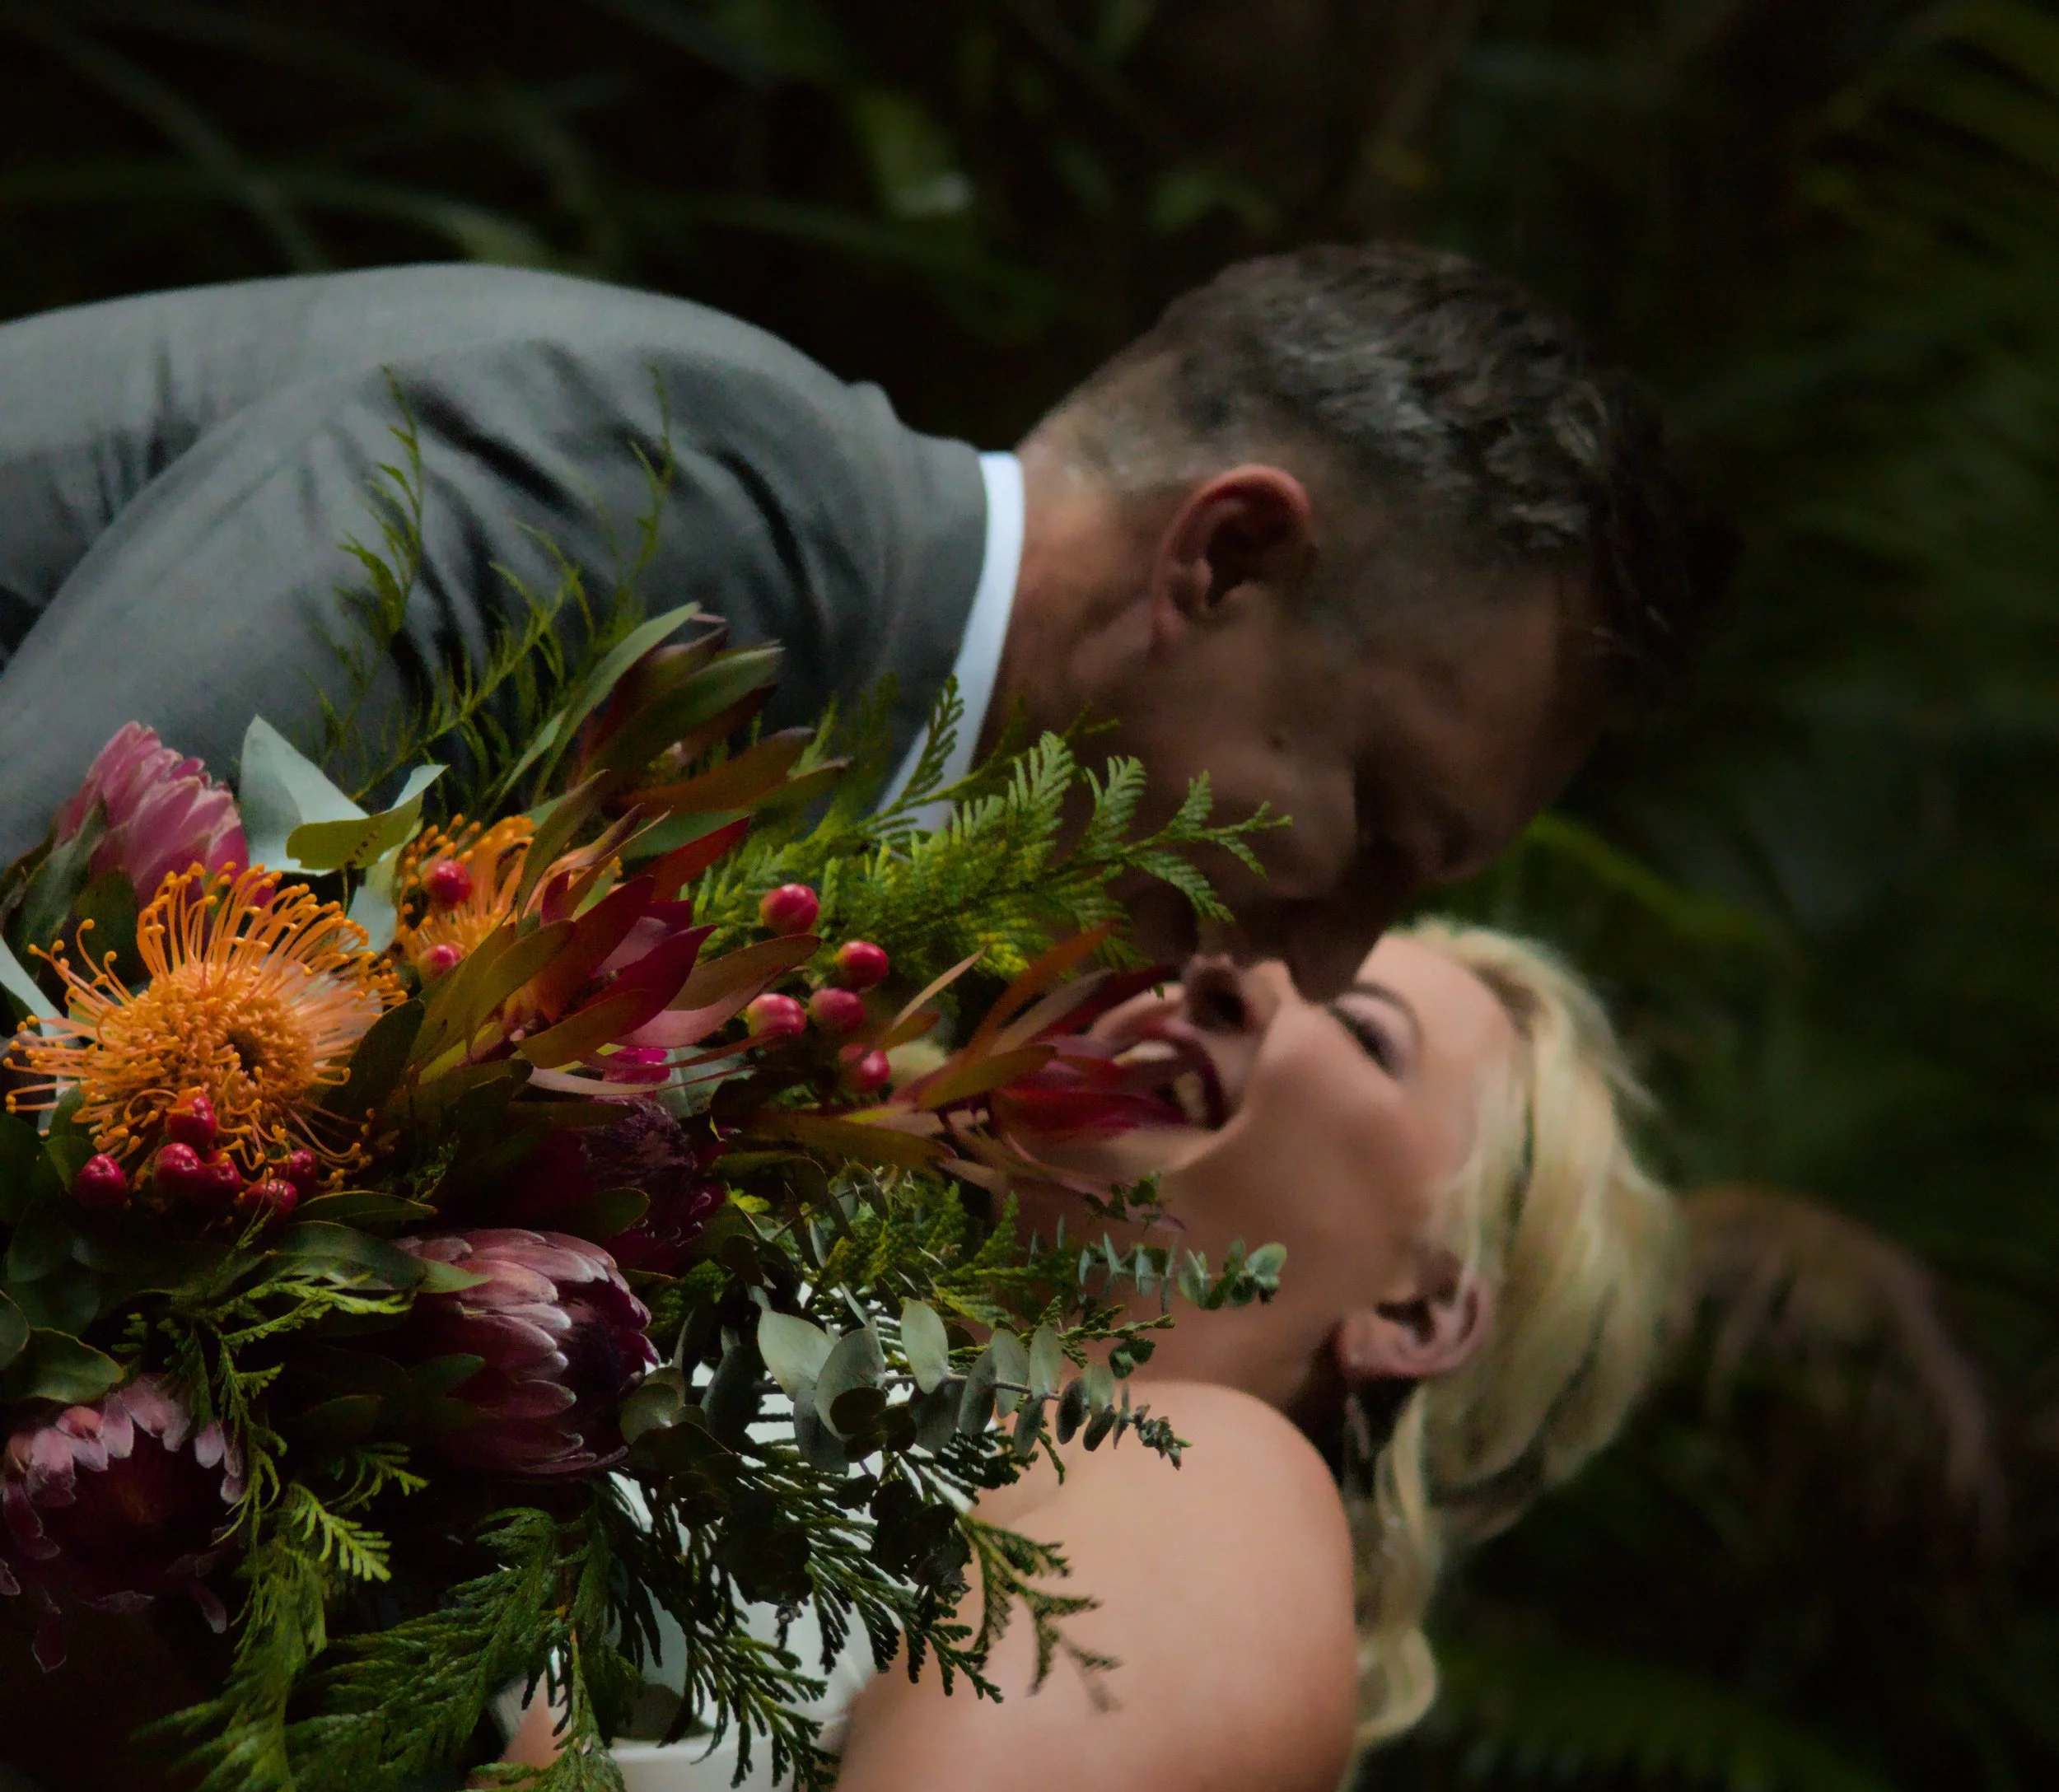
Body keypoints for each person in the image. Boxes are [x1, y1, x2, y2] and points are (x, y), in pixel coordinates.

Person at [463, 922, 1681, 1792]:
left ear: (1422, 1310)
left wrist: (343, 1743)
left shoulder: (1225, 1485)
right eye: (1261, 942)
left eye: (1364, 1026)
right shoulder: (805, 1241)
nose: (1232, 970)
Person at [0, 245, 1727, 991]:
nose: (1323, 961)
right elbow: (42, 906)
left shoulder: (832, 694)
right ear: (1219, 563)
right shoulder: (686, 491)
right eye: (1379, 832)